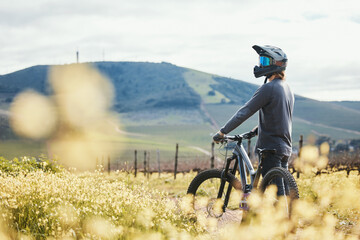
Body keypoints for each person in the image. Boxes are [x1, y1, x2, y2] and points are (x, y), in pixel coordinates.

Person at [213, 45, 294, 193]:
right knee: (284, 191)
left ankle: (278, 216)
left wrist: (223, 132)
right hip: (285, 147)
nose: (260, 64)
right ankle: (289, 215)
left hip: (270, 148)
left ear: (274, 64)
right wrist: (258, 129)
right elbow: (280, 115)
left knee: (276, 192)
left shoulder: (268, 88)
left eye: (264, 60)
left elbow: (245, 111)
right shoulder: (287, 88)